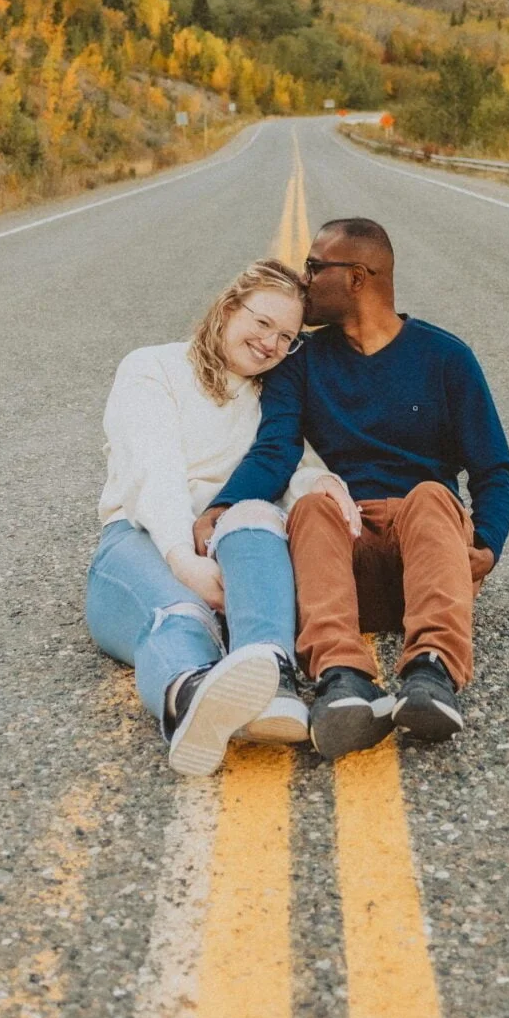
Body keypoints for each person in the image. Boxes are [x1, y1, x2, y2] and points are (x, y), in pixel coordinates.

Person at [209, 217, 509, 761]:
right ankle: (341, 678)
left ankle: (432, 673)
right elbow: (276, 448)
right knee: (312, 504)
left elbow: (493, 468)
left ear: (356, 278)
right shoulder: (300, 363)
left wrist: (487, 543)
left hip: (429, 554)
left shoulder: (446, 358)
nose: (303, 281)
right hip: (344, 561)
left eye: (314, 267)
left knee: (429, 494)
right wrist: (223, 505)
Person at [84, 258, 316, 775]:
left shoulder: (272, 399)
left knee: (256, 513)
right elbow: (154, 469)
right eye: (262, 323)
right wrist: (183, 560)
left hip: (231, 550)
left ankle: (273, 682)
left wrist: (332, 490)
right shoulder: (153, 367)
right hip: (142, 539)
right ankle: (190, 697)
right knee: (179, 612)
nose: (270, 344)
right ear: (230, 306)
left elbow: (299, 468)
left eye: (286, 337)